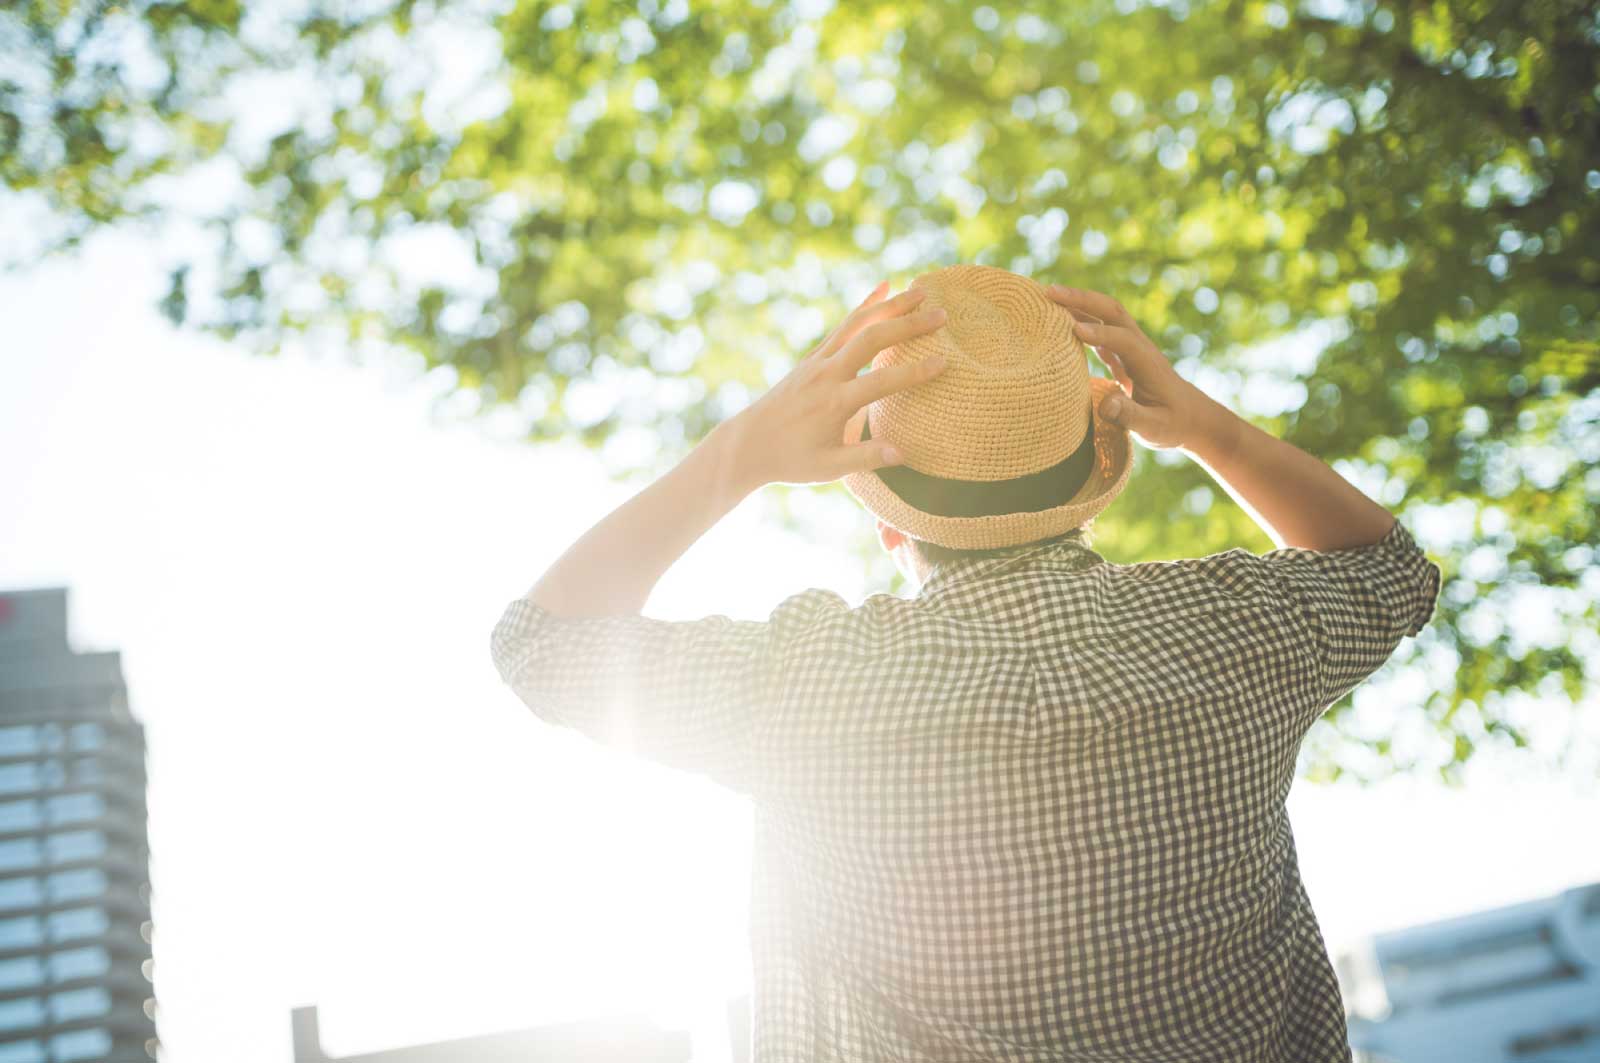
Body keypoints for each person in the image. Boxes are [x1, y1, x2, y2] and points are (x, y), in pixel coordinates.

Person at [490, 265, 1442, 1062]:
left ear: (885, 516)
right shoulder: (1236, 633)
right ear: (1095, 475)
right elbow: (1390, 570)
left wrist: (742, 454)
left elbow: (542, 645)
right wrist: (1209, 429)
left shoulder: (814, 684)